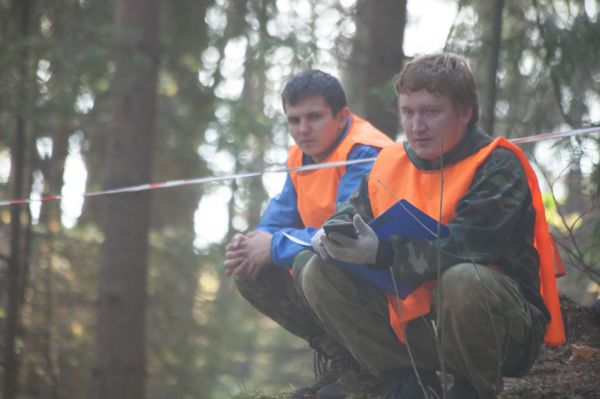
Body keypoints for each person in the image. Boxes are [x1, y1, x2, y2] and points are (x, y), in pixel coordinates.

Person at [302, 53, 566, 399]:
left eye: (430, 112)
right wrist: (333, 233)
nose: (416, 126)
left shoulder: (497, 164)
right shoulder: (389, 163)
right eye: (408, 112)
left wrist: (381, 252)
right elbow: (352, 212)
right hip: (422, 327)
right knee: (318, 271)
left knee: (462, 278)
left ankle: (470, 389)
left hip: (503, 331)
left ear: (465, 112)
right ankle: (406, 378)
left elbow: (468, 246)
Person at [223, 69, 393, 396]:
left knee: (307, 264)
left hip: (384, 277)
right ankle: (346, 363)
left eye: (314, 117)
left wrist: (273, 245)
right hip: (336, 268)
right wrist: (249, 246)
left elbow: (344, 232)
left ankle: (375, 367)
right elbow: (279, 214)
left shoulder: (365, 151)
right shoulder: (301, 156)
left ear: (341, 116)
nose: (303, 129)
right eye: (293, 120)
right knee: (251, 272)